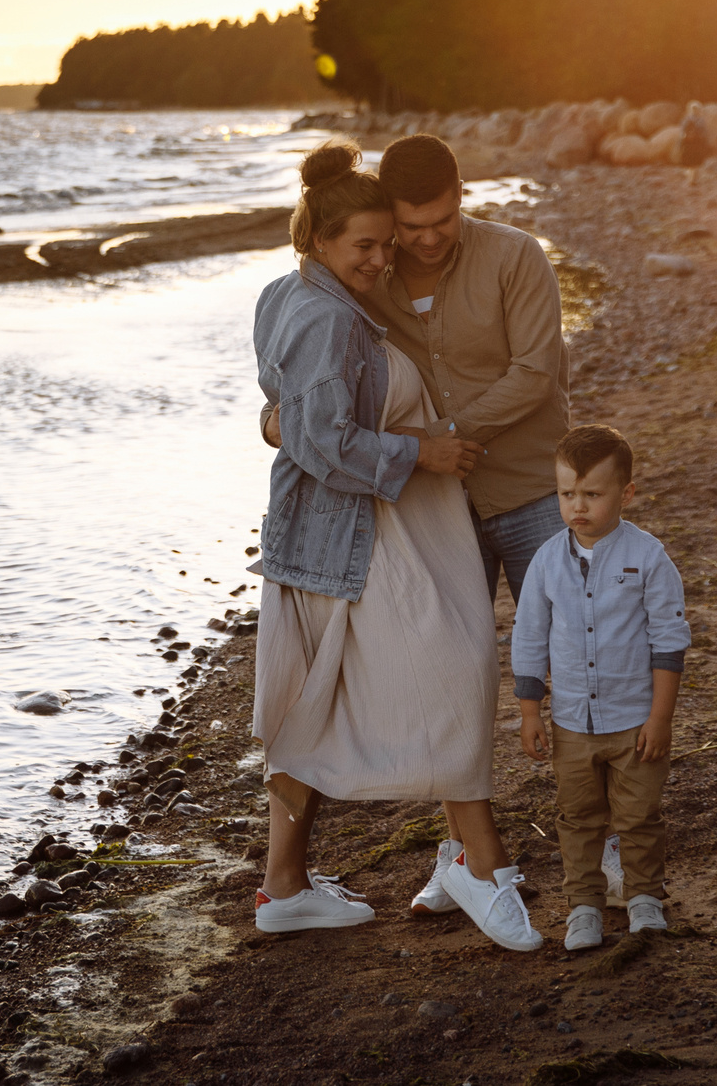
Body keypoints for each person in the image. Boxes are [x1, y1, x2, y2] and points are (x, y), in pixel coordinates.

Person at [260, 131, 574, 918]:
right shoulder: (363, 282)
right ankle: (467, 856)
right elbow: (315, 392)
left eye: (442, 218)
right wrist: (293, 424)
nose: (422, 239)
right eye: (407, 227)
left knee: (570, 661)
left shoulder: (512, 257)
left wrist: (433, 440)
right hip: (405, 517)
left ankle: (598, 839)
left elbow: (536, 374)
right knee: (449, 673)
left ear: (464, 193)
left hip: (522, 491)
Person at [512, 423, 691, 951]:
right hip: (571, 723)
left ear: (626, 493)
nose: (578, 506)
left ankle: (643, 899)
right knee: (578, 818)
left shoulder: (649, 556)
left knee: (639, 817)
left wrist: (661, 718)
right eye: (568, 494)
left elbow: (669, 639)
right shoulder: (546, 561)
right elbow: (528, 637)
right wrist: (529, 712)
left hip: (637, 721)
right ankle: (584, 905)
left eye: (592, 493)